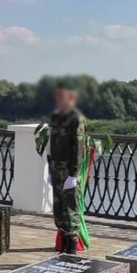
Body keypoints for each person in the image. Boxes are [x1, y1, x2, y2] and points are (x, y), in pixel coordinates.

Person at [48, 80, 86, 254]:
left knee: (70, 210)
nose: (58, 98)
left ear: (70, 96)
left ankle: (71, 251)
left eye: (61, 94)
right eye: (56, 95)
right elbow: (53, 144)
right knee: (59, 210)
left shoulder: (75, 118)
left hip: (69, 170)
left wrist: (73, 175)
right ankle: (63, 249)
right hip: (56, 168)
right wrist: (51, 168)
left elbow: (78, 148)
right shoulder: (56, 116)